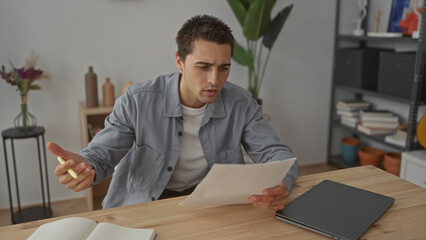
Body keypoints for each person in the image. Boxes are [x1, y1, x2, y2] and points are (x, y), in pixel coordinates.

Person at [48, 15, 298, 210]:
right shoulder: (137, 101)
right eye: (203, 67)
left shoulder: (241, 103)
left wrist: (281, 183)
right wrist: (85, 166)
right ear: (179, 61)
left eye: (224, 68)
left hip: (209, 204)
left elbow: (276, 154)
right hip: (145, 203)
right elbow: (101, 155)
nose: (214, 80)